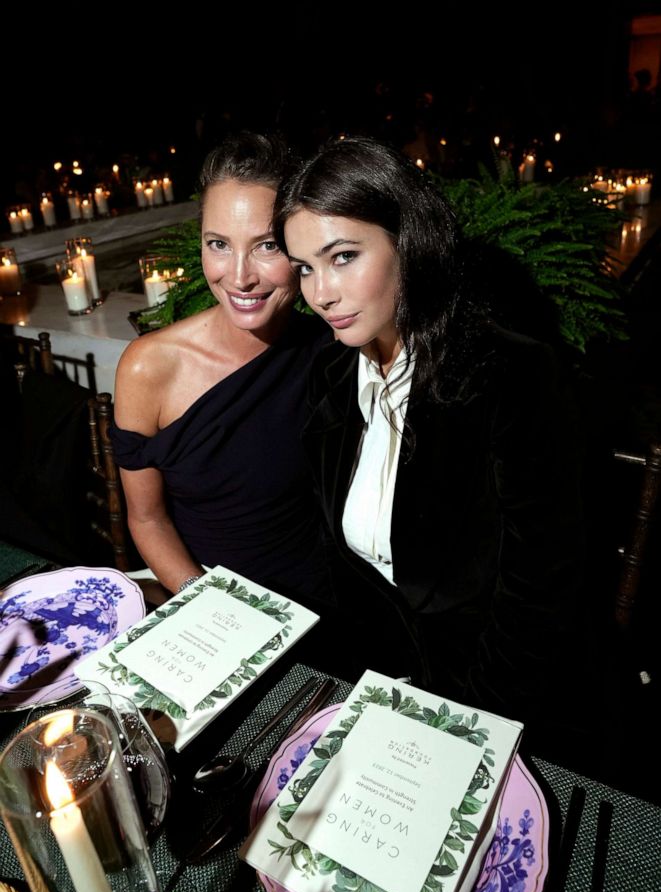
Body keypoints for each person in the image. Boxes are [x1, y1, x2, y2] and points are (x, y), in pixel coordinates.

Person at [274, 136, 585, 723]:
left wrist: (468, 725)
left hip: (503, 697)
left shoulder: (511, 375)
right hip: (384, 684)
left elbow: (541, 593)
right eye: (305, 268)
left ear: (408, 243)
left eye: (343, 257)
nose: (321, 294)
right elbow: (351, 574)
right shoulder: (332, 371)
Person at [110, 133, 332, 607]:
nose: (238, 276)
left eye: (267, 245)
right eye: (219, 244)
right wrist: (207, 602)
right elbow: (148, 519)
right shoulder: (149, 367)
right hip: (208, 603)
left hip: (329, 602)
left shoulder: (331, 349)